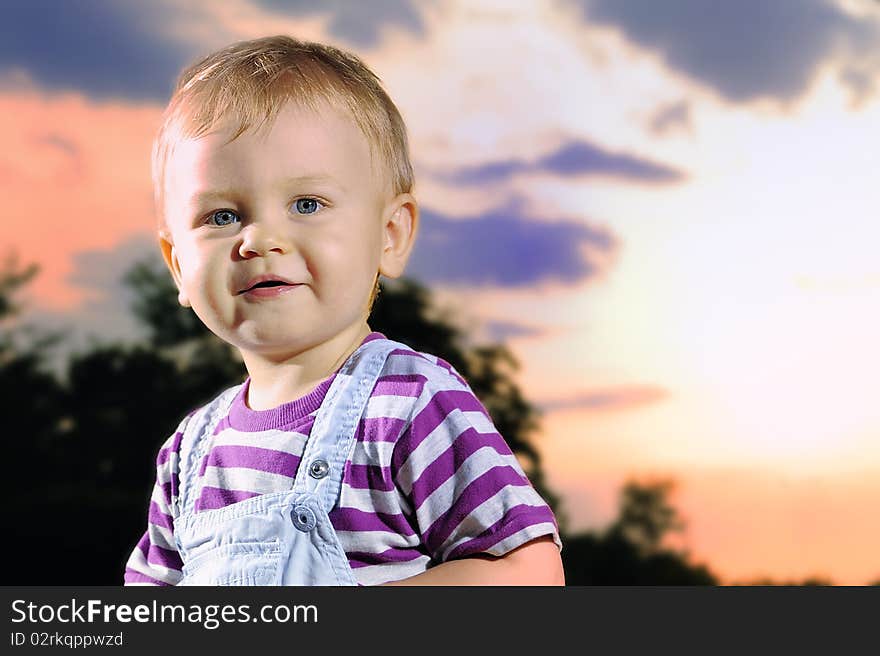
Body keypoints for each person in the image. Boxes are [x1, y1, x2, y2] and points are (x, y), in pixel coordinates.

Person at [123, 35, 563, 586]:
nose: (259, 239)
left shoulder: (412, 403)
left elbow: (529, 571)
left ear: (390, 235)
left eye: (307, 204)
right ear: (177, 266)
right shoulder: (186, 460)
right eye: (220, 216)